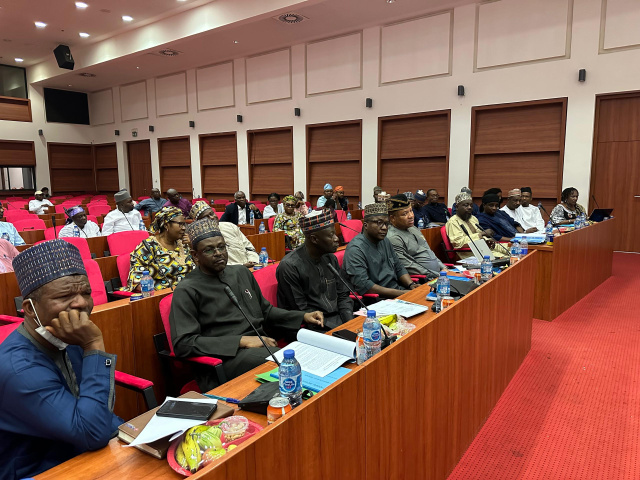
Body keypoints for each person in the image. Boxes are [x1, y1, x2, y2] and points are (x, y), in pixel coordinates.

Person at [0, 240, 122, 479]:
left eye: (86, 293)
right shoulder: (17, 369)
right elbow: (90, 433)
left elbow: (95, 412)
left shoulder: (67, 336)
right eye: (65, 295)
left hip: (82, 455)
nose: (81, 303)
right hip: (41, 470)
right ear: (29, 308)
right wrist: (94, 345)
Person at [169, 218, 324, 388]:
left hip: (259, 347)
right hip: (224, 359)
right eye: (209, 250)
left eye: (221, 247)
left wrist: (303, 316)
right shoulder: (187, 289)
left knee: (314, 356)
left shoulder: (241, 272)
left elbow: (266, 311)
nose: (218, 253)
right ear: (195, 255)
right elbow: (183, 343)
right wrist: (242, 341)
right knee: (291, 365)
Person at [276, 211, 353, 330]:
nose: (336, 238)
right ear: (314, 239)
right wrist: (340, 329)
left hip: (337, 321)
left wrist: (350, 324)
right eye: (331, 235)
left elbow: (343, 295)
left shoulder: (330, 258)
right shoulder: (290, 266)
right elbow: (301, 310)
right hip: (310, 327)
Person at [343, 203, 419, 298]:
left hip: (397, 292)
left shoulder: (385, 241)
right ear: (366, 225)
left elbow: (398, 267)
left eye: (386, 224)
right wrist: (403, 293)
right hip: (378, 299)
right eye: (379, 223)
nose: (384, 228)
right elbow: (365, 285)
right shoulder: (355, 249)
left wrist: (411, 284)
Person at [126, 207, 194, 291]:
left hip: (191, 290)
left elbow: (198, 269)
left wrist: (192, 247)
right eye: (180, 224)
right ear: (166, 225)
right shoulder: (148, 246)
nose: (184, 228)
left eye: (184, 224)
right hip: (164, 294)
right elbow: (136, 278)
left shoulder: (183, 244)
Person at [386, 194, 444, 278]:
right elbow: (408, 266)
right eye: (405, 214)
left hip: (438, 275)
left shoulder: (413, 228)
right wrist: (437, 275)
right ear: (392, 218)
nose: (411, 216)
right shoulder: (393, 238)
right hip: (422, 279)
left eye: (411, 211)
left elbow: (429, 251)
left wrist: (444, 268)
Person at [190, 201, 259, 268]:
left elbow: (249, 248)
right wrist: (241, 266)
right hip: (228, 272)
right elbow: (213, 263)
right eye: (206, 217)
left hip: (251, 267)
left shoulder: (230, 226)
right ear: (199, 222)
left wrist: (253, 261)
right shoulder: (202, 240)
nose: (212, 217)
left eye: (212, 213)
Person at [446, 192, 506, 259]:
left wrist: (487, 240)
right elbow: (458, 243)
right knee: (505, 260)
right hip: (469, 254)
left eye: (471, 205)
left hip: (483, 249)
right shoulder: (453, 222)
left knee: (510, 254)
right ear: (457, 207)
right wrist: (481, 234)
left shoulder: (473, 218)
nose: (470, 207)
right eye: (466, 205)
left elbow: (480, 235)